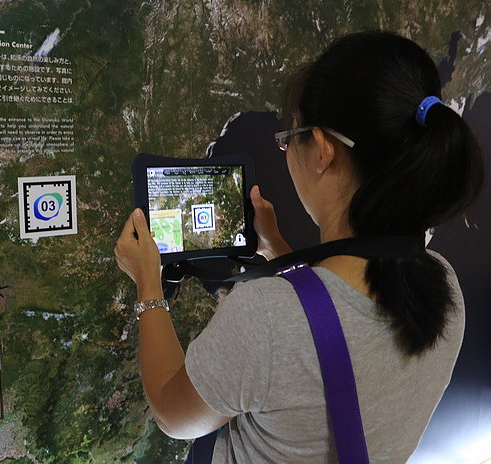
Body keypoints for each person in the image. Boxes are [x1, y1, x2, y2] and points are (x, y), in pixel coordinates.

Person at [114, 31, 483, 463]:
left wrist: (147, 284)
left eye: (290, 137)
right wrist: (281, 254)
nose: (287, 150)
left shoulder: (267, 315)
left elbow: (175, 417)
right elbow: (335, 333)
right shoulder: (443, 286)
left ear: (323, 150)